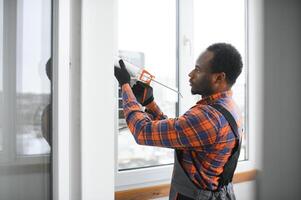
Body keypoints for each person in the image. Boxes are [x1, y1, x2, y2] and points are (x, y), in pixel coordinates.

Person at [114, 43, 243, 200]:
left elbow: (142, 131)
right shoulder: (229, 107)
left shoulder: (209, 117)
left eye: (198, 69)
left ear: (219, 77)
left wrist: (125, 86)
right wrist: (150, 103)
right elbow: (179, 135)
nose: (190, 74)